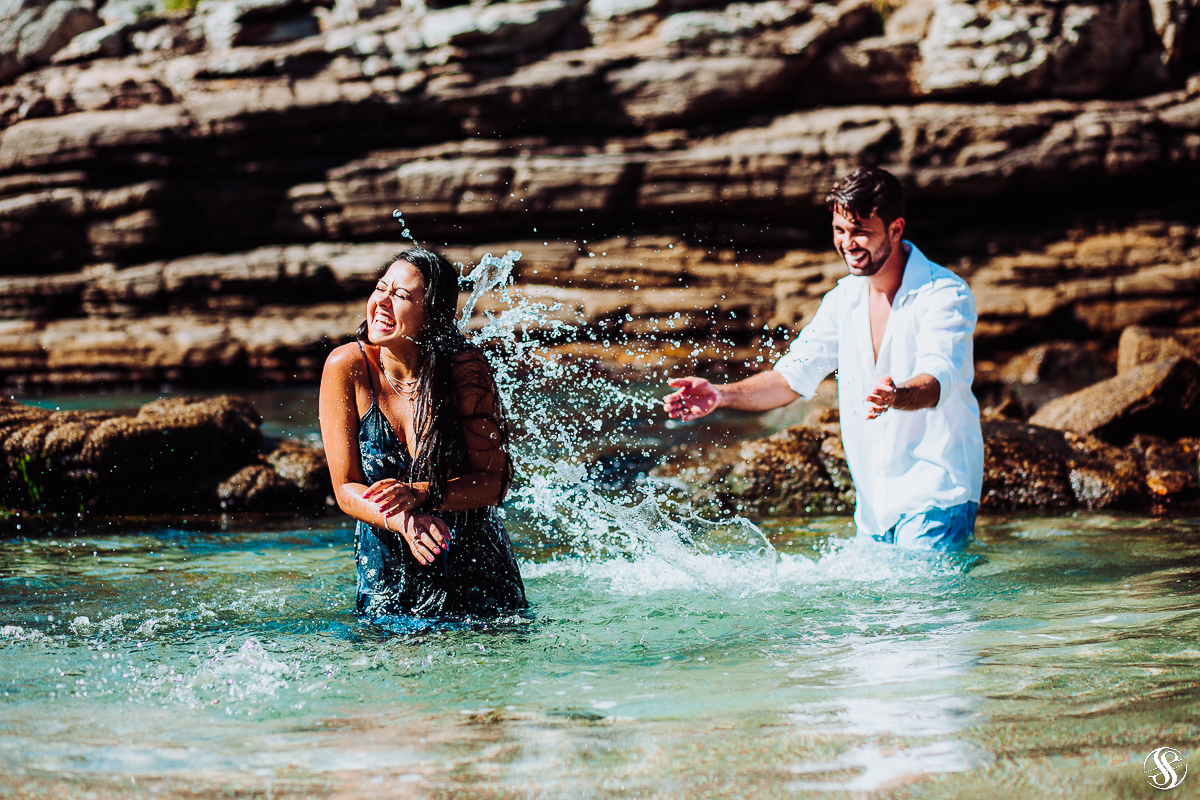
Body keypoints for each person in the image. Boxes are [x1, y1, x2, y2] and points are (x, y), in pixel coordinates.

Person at [663, 167, 984, 551]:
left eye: (861, 231)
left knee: (920, 609)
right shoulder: (843, 300)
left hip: (937, 491)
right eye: (840, 230)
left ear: (896, 229)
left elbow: (937, 381)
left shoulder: (944, 295)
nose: (848, 243)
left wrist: (897, 395)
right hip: (873, 508)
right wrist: (721, 395)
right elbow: (790, 379)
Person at [319, 248, 527, 620]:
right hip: (388, 574)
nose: (382, 301)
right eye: (381, 288)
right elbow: (345, 487)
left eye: (400, 296)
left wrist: (423, 494)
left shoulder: (465, 371)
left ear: (431, 316)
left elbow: (495, 483)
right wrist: (402, 520)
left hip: (477, 571)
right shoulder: (346, 367)